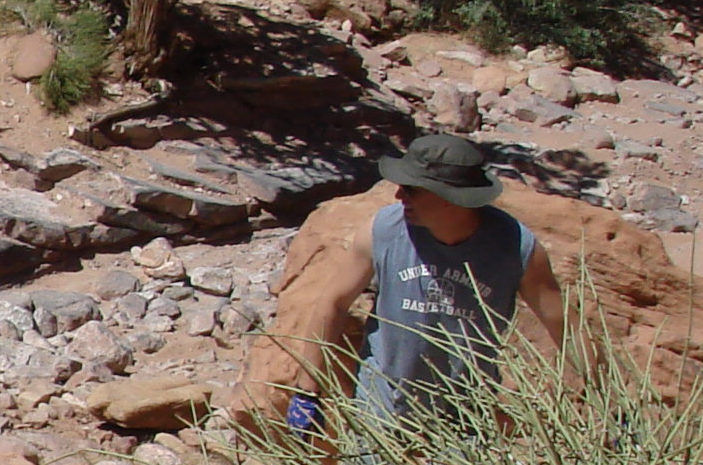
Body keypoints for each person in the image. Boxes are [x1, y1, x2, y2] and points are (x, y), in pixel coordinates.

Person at [231, 130, 567, 438]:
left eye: (411, 189)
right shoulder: (384, 230)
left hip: (463, 413)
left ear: (449, 197)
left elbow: (565, 327)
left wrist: (591, 405)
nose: (398, 194)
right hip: (382, 403)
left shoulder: (516, 248)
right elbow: (332, 303)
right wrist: (307, 392)